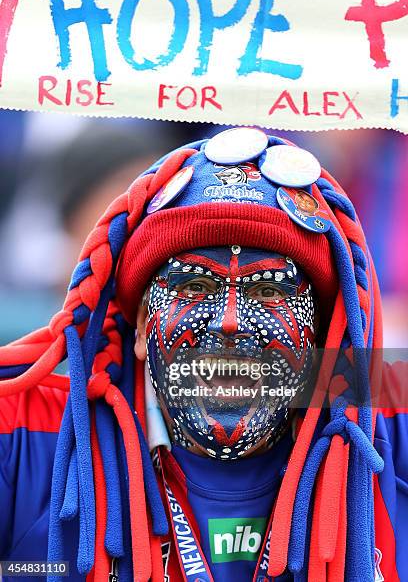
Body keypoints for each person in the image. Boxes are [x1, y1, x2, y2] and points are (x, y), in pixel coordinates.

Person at [0, 128, 406, 582]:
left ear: (316, 335)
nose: (230, 320)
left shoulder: (381, 426)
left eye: (270, 291)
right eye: (195, 286)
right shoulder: (28, 433)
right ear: (139, 326)